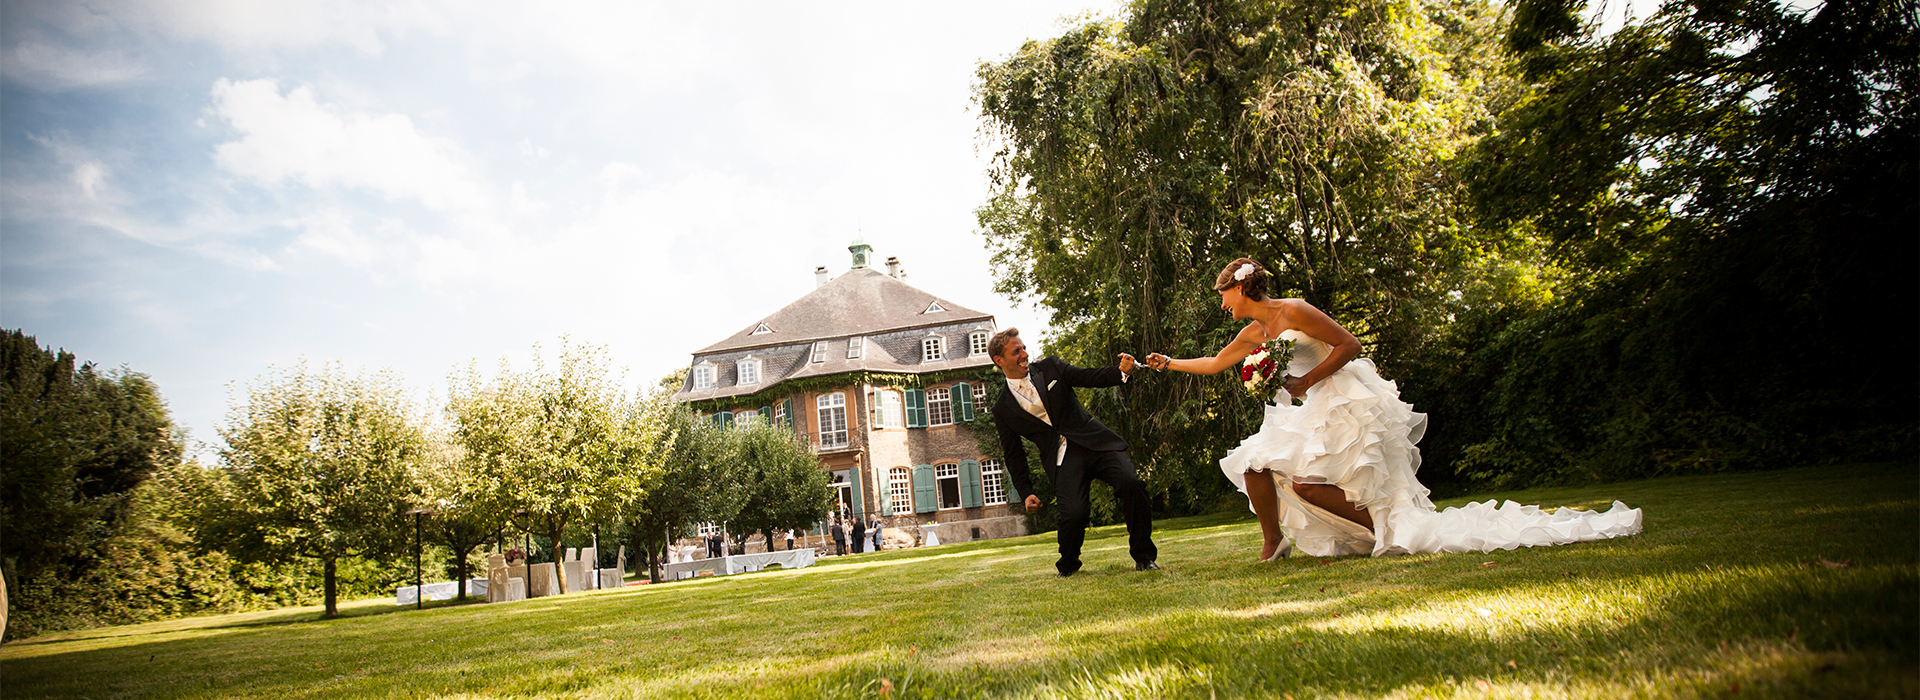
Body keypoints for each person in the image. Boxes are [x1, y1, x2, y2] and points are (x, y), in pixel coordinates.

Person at [1146, 258, 1642, 559]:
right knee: (1253, 463)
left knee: (1306, 483)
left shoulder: (1293, 310)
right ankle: (1272, 542)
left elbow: (1350, 344)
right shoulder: (1253, 332)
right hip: (1308, 407)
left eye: (1224, 293)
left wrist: (1305, 380)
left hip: (1343, 399)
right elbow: (1215, 364)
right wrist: (1166, 363)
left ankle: (1381, 531)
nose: (1222, 302)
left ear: (1245, 287)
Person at [989, 328, 1159, 576]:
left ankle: (1144, 557)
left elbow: (1089, 377)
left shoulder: (1051, 368)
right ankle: (1068, 567)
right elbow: (1013, 454)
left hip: (1096, 443)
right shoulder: (1002, 409)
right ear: (999, 360)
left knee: (1130, 482)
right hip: (1062, 459)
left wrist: (1121, 371)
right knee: (1074, 515)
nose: (1025, 354)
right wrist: (1026, 492)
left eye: (1024, 347)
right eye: (1017, 351)